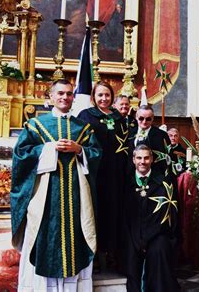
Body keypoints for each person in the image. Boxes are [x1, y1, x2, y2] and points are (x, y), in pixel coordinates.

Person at [10, 79, 102, 290]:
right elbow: (21, 156)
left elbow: (96, 155)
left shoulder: (83, 127)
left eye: (69, 94)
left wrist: (80, 150)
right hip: (46, 196)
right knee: (46, 237)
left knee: (75, 238)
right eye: (60, 93)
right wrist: (48, 149)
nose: (65, 97)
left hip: (76, 196)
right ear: (51, 96)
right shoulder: (36, 125)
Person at [77, 81, 129, 271]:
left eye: (107, 95)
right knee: (96, 209)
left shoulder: (119, 118)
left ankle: (113, 251)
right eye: (100, 95)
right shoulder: (85, 116)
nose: (104, 99)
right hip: (95, 172)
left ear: (112, 97)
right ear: (93, 97)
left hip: (117, 173)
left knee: (116, 209)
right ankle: (95, 252)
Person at [124, 145, 180, 292]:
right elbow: (124, 215)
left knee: (159, 251)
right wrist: (137, 239)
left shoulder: (163, 183)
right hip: (133, 233)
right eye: (139, 158)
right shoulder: (125, 183)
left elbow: (165, 217)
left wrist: (146, 239)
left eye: (146, 158)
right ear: (133, 160)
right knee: (130, 255)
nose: (143, 161)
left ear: (152, 159)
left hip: (156, 233)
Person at [128, 105, 171, 174]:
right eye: (141, 118)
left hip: (154, 176)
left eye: (148, 119)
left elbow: (167, 158)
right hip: (130, 176)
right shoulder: (128, 133)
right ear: (136, 117)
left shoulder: (162, 135)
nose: (144, 122)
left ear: (152, 118)